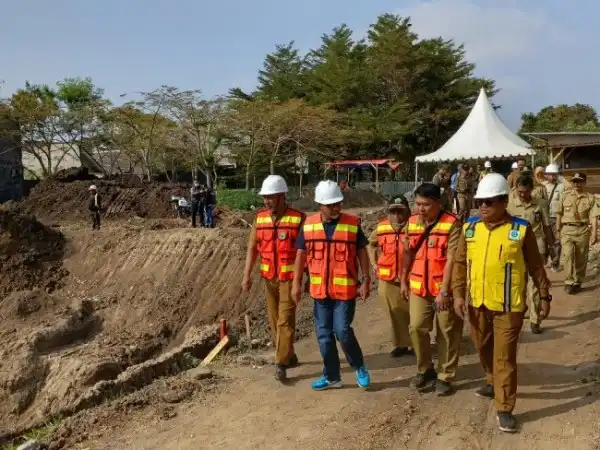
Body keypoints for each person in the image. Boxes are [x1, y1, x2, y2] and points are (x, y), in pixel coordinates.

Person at [452, 173, 551, 433]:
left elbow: (535, 265)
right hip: (477, 303)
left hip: (509, 306)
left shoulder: (520, 229)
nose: (483, 206)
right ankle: (490, 380)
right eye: (480, 202)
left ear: (504, 202)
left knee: (504, 357)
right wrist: (459, 295)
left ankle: (504, 407)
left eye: (490, 201)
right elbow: (460, 263)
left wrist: (544, 294)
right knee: (482, 347)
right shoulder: (470, 228)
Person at [292, 180, 372, 391]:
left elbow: (362, 252)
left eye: (339, 203)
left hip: (345, 292)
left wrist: (366, 280)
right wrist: (296, 284)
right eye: (331, 205)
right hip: (320, 293)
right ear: (321, 205)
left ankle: (359, 366)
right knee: (324, 335)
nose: (336, 207)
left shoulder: (352, 224)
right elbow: (300, 255)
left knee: (342, 331)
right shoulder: (308, 225)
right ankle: (332, 377)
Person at [400, 183, 463, 396]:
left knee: (447, 332)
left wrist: (445, 291)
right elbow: (407, 253)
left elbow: (453, 259)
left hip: (444, 289)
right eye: (417, 204)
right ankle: (425, 369)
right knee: (416, 327)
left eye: (426, 205)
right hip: (419, 286)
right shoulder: (411, 223)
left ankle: (445, 375)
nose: (420, 209)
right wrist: (403, 279)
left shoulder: (452, 224)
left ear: (438, 203)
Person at [241, 175, 305, 382]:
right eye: (265, 197)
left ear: (281, 196)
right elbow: (252, 248)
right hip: (269, 279)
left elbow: (306, 252)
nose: (266, 201)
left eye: (270, 197)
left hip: (289, 278)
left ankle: (280, 363)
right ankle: (289, 354)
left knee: (284, 321)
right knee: (273, 320)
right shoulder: (259, 219)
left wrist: (305, 280)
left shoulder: (298, 219)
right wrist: (247, 275)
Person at [367, 195, 413, 357]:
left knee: (413, 314)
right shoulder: (381, 228)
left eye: (400, 212)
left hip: (411, 279)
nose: (396, 216)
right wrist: (374, 264)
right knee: (394, 313)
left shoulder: (416, 227)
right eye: (392, 212)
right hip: (388, 279)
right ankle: (401, 343)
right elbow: (371, 245)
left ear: (408, 211)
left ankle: (416, 343)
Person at [507, 175, 554, 334]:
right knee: (518, 281)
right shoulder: (510, 205)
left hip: (536, 246)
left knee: (534, 285)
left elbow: (547, 226)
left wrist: (551, 246)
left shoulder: (540, 204)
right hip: (516, 247)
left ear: (531, 190)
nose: (522, 195)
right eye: (519, 192)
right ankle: (520, 310)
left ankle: (535, 319)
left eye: (525, 192)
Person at [556, 172, 599, 294]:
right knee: (568, 255)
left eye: (579, 181)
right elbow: (559, 213)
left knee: (581, 257)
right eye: (574, 181)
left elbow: (594, 218)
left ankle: (578, 281)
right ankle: (569, 282)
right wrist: (558, 230)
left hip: (583, 231)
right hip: (567, 230)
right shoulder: (565, 196)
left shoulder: (590, 198)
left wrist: (594, 234)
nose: (576, 183)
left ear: (584, 183)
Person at [544, 163, 565, 270]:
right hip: (544, 217)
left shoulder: (562, 186)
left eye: (554, 175)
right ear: (546, 175)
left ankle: (555, 263)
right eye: (550, 174)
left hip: (556, 217)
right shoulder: (543, 186)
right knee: (545, 240)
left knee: (557, 241)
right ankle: (546, 260)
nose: (552, 177)